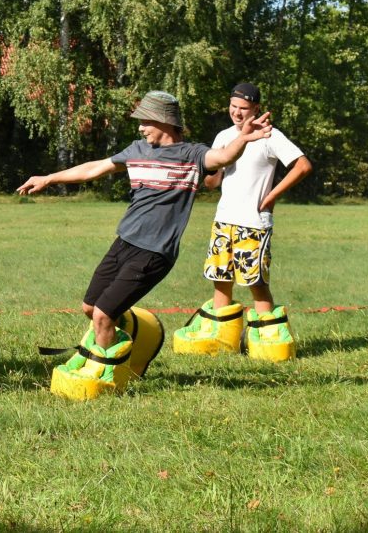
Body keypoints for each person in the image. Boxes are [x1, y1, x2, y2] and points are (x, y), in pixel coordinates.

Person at [16, 90, 272, 401]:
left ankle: (108, 377)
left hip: (155, 252)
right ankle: (140, 337)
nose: (140, 127)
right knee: (90, 307)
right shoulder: (137, 150)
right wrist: (49, 178)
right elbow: (94, 168)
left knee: (103, 315)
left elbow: (223, 157)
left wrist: (243, 139)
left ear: (164, 121)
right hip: (124, 242)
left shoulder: (191, 155)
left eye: (145, 121)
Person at [174, 83, 311, 362]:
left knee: (256, 282)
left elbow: (303, 166)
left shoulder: (270, 135)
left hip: (253, 222)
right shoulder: (223, 135)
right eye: (233, 106)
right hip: (223, 219)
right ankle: (222, 338)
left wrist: (271, 196)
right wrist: (216, 164)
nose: (237, 113)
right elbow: (212, 183)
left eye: (244, 108)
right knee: (220, 278)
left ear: (256, 109)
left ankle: (268, 342)